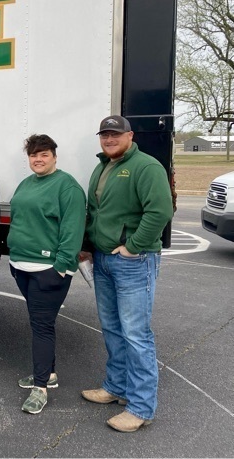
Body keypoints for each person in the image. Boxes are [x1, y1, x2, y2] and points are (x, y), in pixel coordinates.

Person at [81, 115, 173, 432]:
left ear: (129, 135)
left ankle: (141, 407)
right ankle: (116, 387)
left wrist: (134, 246)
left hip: (133, 261)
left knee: (136, 335)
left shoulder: (145, 167)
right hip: (104, 260)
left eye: (115, 134)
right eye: (105, 134)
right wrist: (88, 245)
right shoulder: (102, 166)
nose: (109, 139)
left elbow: (160, 210)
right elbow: (95, 213)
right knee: (112, 329)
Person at [7, 134, 86, 414]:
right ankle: (48, 375)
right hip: (22, 267)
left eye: (44, 154)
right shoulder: (27, 184)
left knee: (41, 327)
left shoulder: (67, 186)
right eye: (33, 155)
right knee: (40, 323)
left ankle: (40, 388)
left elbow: (72, 230)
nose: (38, 159)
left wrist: (61, 267)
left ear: (54, 155)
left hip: (47, 271)